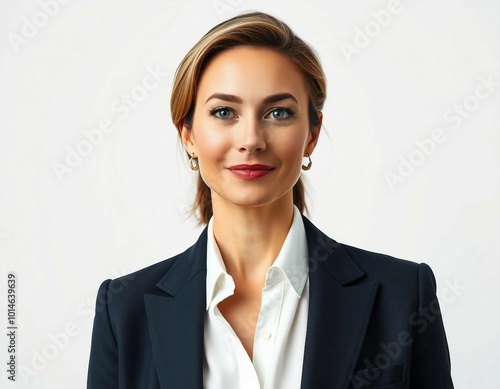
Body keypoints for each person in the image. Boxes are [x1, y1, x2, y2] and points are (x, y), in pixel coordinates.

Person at [87, 11, 454, 389]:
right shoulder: (123, 311)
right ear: (189, 135)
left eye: (278, 113)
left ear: (312, 135)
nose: (251, 139)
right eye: (223, 112)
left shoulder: (403, 295)